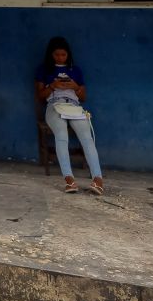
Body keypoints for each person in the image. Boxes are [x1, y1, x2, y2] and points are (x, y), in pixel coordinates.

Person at [34, 36, 104, 194]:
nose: (60, 57)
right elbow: (40, 96)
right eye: (57, 54)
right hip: (54, 105)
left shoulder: (75, 70)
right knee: (61, 135)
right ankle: (69, 180)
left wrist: (75, 86)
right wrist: (53, 85)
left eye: (63, 55)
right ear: (51, 54)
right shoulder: (44, 69)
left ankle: (98, 179)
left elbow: (83, 97)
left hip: (73, 106)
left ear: (68, 55)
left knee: (87, 137)